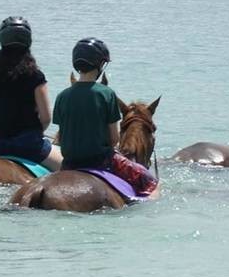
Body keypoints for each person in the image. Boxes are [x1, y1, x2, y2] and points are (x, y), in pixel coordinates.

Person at [51, 37, 157, 195]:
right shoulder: (106, 94)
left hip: (69, 163)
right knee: (150, 181)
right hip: (101, 161)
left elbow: (61, 135)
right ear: (100, 64)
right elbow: (114, 139)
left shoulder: (62, 96)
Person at [0, 16, 61, 171]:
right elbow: (45, 118)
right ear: (28, 41)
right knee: (70, 171)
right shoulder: (35, 75)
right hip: (31, 146)